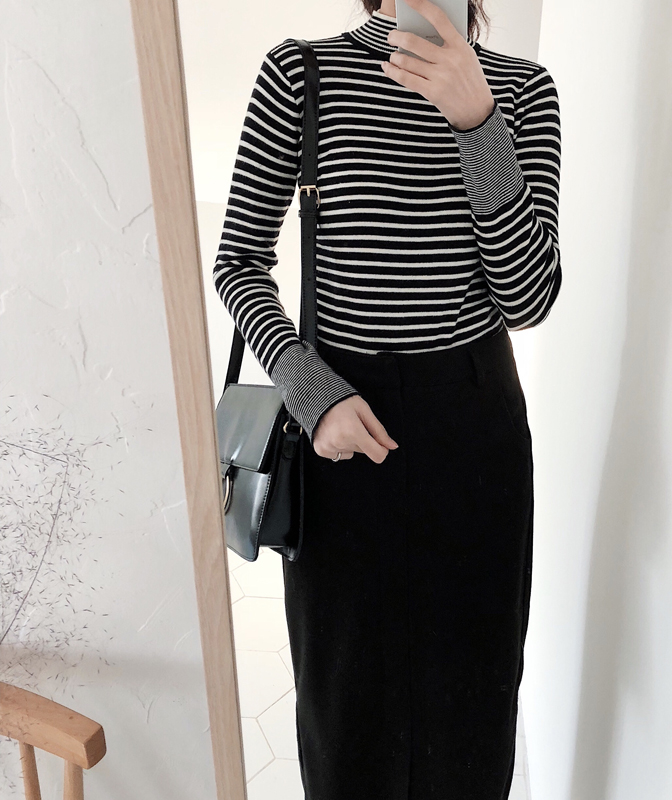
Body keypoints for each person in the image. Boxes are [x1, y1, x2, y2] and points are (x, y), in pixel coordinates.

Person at [212, 0, 562, 796]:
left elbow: (528, 298)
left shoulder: (522, 90)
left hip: (474, 423)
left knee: (472, 698)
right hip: (339, 419)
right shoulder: (303, 72)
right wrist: (311, 392)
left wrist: (478, 123)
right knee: (347, 706)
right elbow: (239, 261)